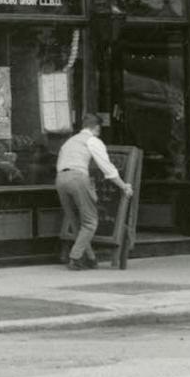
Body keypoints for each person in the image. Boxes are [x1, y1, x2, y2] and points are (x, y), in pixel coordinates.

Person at [56, 112, 131, 271]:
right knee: (90, 222)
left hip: (60, 179)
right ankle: (75, 257)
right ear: (97, 128)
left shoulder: (69, 142)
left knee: (75, 221)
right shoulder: (93, 141)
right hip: (77, 177)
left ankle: (90, 258)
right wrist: (123, 186)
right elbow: (107, 168)